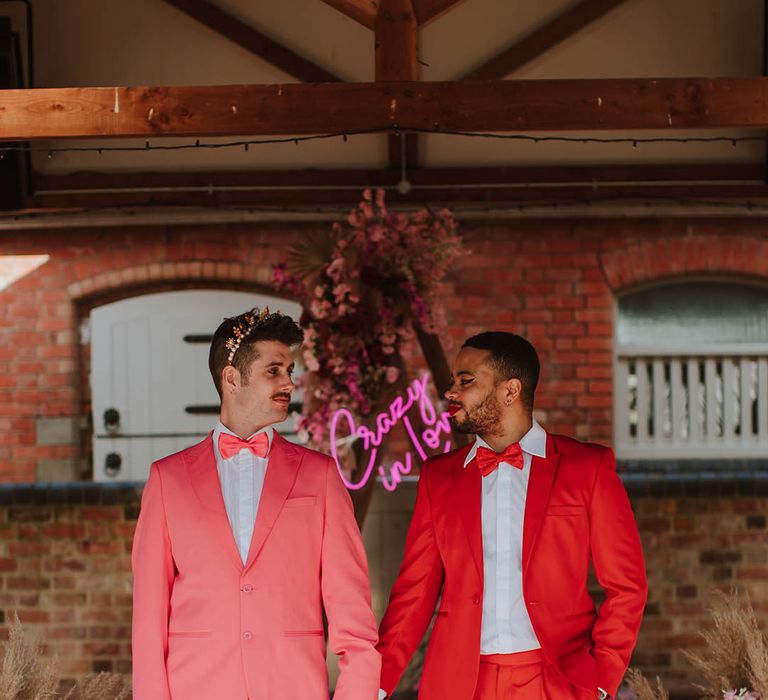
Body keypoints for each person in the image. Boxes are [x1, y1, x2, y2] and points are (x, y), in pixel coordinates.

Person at [377, 332, 647, 700]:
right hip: (461, 682)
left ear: (510, 391)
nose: (451, 392)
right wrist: (375, 683)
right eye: (454, 381)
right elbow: (413, 594)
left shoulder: (588, 468)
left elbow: (627, 586)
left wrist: (603, 678)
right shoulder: (437, 478)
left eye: (466, 381)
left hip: (558, 680)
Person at [132, 307, 381, 700]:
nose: (289, 383)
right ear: (232, 378)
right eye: (274, 371)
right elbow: (148, 621)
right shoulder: (168, 480)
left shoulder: (320, 475)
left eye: (290, 371)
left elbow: (354, 619)